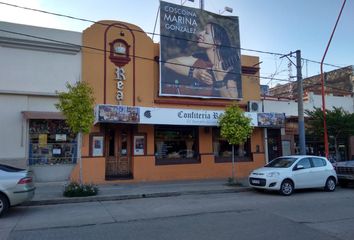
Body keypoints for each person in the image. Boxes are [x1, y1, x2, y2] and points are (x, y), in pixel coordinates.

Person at [164, 22, 241, 98]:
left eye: (206, 33)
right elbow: (168, 63)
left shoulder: (229, 68)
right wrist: (195, 73)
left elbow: (232, 101)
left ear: (217, 42)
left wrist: (219, 80)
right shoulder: (199, 58)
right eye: (202, 31)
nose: (200, 33)